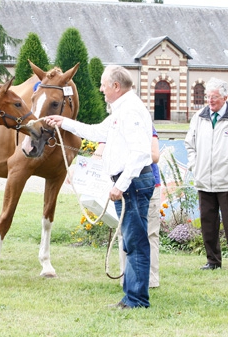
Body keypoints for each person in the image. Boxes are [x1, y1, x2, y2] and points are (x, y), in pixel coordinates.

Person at [45, 65, 154, 309]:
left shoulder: (130, 111)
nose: (101, 89)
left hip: (132, 185)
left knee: (135, 241)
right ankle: (132, 297)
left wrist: (121, 185)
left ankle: (136, 300)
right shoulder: (121, 109)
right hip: (129, 184)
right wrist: (64, 122)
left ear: (116, 86)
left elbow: (140, 152)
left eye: (104, 84)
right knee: (131, 240)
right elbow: (97, 131)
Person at [184, 77, 228, 273]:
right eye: (208, 96)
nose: (210, 100)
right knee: (208, 224)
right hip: (204, 181)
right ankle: (213, 261)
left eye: (214, 97)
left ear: (225, 97)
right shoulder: (199, 117)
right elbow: (189, 144)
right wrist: (194, 165)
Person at [119, 126, 161, 288]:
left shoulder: (146, 126)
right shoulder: (115, 124)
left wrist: (130, 156)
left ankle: (150, 279)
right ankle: (126, 276)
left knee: (149, 233)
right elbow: (99, 153)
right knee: (125, 233)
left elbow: (155, 156)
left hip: (148, 184)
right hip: (123, 185)